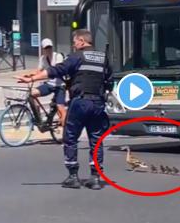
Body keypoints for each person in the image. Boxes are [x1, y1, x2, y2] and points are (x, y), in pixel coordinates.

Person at [16, 29, 112, 190]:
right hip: (97, 103)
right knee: (96, 139)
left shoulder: (76, 57)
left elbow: (56, 70)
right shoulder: (103, 58)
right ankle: (95, 177)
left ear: (82, 41)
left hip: (80, 102)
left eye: (75, 41)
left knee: (70, 137)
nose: (74, 45)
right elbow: (109, 82)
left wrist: (31, 79)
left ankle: (73, 176)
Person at [28, 38, 67, 127]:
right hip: (49, 84)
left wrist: (43, 75)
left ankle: (66, 135)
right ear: (43, 49)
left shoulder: (58, 56)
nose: (48, 49)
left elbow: (57, 70)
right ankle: (38, 117)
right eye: (46, 48)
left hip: (60, 85)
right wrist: (28, 76)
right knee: (32, 94)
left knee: (60, 108)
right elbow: (38, 71)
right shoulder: (42, 59)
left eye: (50, 47)